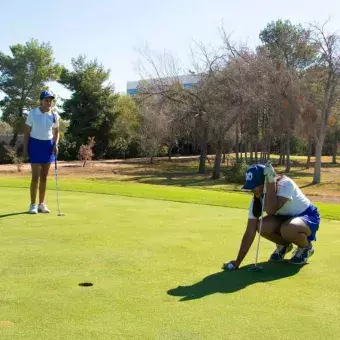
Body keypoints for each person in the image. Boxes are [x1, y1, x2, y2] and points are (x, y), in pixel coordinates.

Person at [224, 162, 320, 269]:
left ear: (265, 181)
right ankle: (284, 245)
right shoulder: (258, 198)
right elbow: (250, 231)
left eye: (256, 186)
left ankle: (306, 248)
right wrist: (237, 262)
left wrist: (271, 182)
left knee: (288, 228)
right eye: (251, 188)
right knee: (261, 226)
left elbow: (270, 209)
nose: (254, 191)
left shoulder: (285, 184)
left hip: (306, 217)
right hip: (284, 221)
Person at [23, 90, 60, 214]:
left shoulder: (54, 115)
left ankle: (41, 204)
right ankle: (32, 205)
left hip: (48, 146)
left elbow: (57, 132)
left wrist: (56, 144)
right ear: (41, 101)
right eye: (46, 100)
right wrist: (25, 148)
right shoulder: (33, 113)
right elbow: (27, 132)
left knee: (44, 177)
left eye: (50, 100)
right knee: (35, 177)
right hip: (35, 145)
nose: (49, 102)